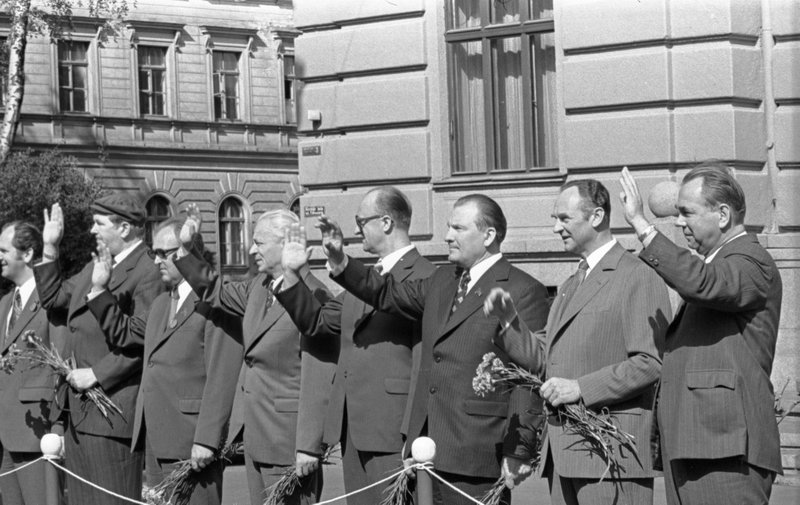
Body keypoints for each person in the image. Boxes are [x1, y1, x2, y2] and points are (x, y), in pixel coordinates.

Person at [320, 194, 550, 505]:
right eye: (448, 227)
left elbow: (529, 376)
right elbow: (386, 292)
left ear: (488, 235)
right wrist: (342, 262)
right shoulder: (442, 279)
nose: (447, 236)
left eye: (458, 228)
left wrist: (519, 449)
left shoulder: (523, 289)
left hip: (479, 454)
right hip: (426, 451)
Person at [485, 180, 671, 505]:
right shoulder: (571, 283)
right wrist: (509, 321)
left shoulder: (637, 275)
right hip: (563, 456)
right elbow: (545, 358)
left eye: (564, 218)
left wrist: (581, 388)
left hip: (609, 458)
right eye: (555, 219)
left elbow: (651, 362)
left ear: (596, 216)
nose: (555, 228)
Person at [619, 163, 783, 505]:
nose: (679, 222)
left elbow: (702, 283)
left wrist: (642, 226)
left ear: (722, 215)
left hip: (726, 449)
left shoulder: (752, 261)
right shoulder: (719, 263)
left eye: (687, 212)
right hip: (699, 444)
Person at [275, 186, 435, 504]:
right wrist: (291, 275)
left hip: (393, 432)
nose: (356, 228)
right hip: (353, 430)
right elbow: (317, 321)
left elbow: (423, 363)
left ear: (386, 222)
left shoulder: (425, 276)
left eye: (361, 221)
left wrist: (414, 433)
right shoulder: (365, 277)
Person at [175, 206, 337, 505]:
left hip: (289, 443)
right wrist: (187, 250)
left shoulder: (316, 295)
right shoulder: (259, 288)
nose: (251, 250)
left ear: (286, 243)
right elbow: (215, 291)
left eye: (259, 243)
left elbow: (319, 376)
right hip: (255, 436)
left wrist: (309, 445)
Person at [85, 217, 242, 505]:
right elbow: (125, 333)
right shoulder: (161, 303)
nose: (157, 261)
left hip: (193, 441)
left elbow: (222, 377)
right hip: (156, 441)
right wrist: (99, 291)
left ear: (187, 252)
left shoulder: (215, 304)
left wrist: (207, 440)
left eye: (163, 253)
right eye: (153, 253)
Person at [34, 195, 164, 505]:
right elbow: (53, 298)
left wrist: (97, 373)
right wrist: (50, 247)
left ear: (124, 228)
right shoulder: (97, 264)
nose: (92, 230)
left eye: (99, 223)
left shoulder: (149, 270)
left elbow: (143, 340)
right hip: (79, 411)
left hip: (111, 412)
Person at [0, 222, 60, 505]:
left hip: (37, 434)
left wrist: (59, 429)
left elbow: (62, 363)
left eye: (3, 250)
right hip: (4, 437)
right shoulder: (4, 303)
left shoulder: (51, 299)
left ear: (27, 254)